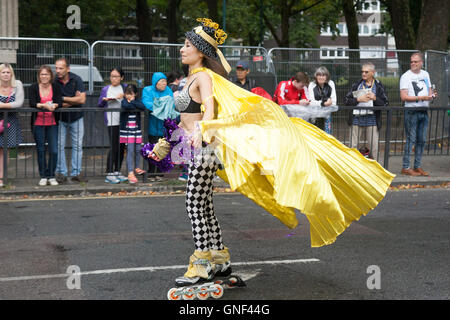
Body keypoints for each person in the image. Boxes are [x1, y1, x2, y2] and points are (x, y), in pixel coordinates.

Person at [150, 18, 394, 287]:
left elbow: (207, 108)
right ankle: (219, 257)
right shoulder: (189, 78)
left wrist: (204, 128)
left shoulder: (205, 77)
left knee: (193, 204)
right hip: (195, 147)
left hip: (205, 149)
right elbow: (186, 118)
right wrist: (167, 143)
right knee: (203, 204)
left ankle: (202, 262)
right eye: (183, 45)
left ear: (200, 51)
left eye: (187, 45)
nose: (182, 49)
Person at [53, 57, 88, 184]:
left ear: (68, 68)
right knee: (59, 146)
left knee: (78, 146)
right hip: (60, 118)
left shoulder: (76, 79)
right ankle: (61, 173)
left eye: (61, 68)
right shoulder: (54, 81)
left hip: (76, 117)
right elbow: (55, 102)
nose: (58, 70)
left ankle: (76, 173)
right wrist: (72, 99)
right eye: (56, 67)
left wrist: (62, 99)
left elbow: (82, 100)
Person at [345, 62, 388, 161]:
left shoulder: (378, 86)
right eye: (362, 72)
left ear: (373, 73)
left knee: (374, 146)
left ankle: (376, 169)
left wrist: (375, 98)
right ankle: (352, 167)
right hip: (356, 118)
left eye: (366, 72)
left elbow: (385, 104)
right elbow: (346, 101)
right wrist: (358, 100)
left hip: (372, 119)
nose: (363, 74)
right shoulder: (356, 85)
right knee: (353, 145)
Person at [400, 52, 434, 176]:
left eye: (415, 61)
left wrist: (431, 96)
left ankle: (417, 166)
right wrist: (421, 97)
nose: (413, 63)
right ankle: (406, 167)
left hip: (424, 111)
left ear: (421, 63)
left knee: (422, 140)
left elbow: (430, 92)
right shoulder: (406, 76)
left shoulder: (426, 74)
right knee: (411, 139)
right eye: (411, 61)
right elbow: (403, 96)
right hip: (411, 111)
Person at [29, 66, 63, 186]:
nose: (44, 76)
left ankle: (51, 175)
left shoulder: (56, 86)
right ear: (39, 76)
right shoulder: (34, 87)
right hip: (38, 123)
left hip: (52, 123)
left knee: (54, 150)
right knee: (41, 150)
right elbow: (32, 102)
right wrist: (44, 106)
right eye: (42, 74)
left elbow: (59, 101)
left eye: (46, 74)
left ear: (50, 76)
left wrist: (55, 105)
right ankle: (43, 175)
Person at [142, 72, 179, 181]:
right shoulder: (148, 90)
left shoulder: (168, 90)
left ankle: (159, 173)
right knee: (152, 148)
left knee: (162, 149)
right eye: (161, 81)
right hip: (152, 124)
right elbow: (147, 103)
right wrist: (162, 107)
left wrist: (159, 106)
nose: (164, 84)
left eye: (165, 81)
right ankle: (151, 172)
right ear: (155, 82)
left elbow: (171, 104)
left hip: (164, 125)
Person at [98, 67, 128, 184]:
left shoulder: (125, 88)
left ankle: (117, 171)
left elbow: (132, 99)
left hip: (123, 121)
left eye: (116, 76)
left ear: (121, 77)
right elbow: (100, 104)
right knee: (114, 146)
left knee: (121, 147)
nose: (113, 78)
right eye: (111, 76)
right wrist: (105, 100)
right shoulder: (106, 89)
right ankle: (109, 172)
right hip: (111, 121)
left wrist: (124, 97)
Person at [0, 63, 24, 188]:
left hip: (10, 122)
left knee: (5, 151)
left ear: (12, 74)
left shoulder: (17, 84)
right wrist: (8, 106)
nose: (5, 74)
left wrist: (2, 105)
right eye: (3, 72)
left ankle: (2, 178)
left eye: (8, 72)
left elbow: (19, 103)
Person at [120, 84, 146, 184]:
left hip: (136, 130)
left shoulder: (137, 101)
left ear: (135, 94)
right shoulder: (124, 101)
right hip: (127, 131)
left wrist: (133, 102)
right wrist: (132, 103)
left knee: (138, 149)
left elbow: (142, 107)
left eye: (131, 94)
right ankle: (130, 172)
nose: (128, 96)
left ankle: (137, 167)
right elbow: (126, 106)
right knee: (130, 150)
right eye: (127, 94)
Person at [308, 66, 337, 134]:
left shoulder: (331, 83)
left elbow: (333, 102)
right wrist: (323, 104)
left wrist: (325, 104)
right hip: (314, 115)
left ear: (327, 76)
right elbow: (311, 102)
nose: (321, 77)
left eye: (323, 75)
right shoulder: (312, 85)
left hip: (326, 114)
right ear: (316, 76)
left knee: (327, 135)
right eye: (319, 75)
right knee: (315, 134)